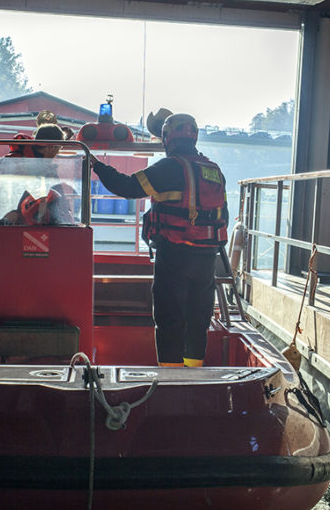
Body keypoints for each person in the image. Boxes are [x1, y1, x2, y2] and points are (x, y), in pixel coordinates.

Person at [91, 110, 228, 367]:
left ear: (166, 138)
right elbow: (224, 216)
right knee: (198, 318)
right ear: (194, 137)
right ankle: (194, 372)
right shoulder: (214, 170)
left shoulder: (171, 166)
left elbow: (128, 187)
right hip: (206, 258)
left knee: (169, 317)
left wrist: (98, 166)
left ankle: (170, 375)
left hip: (175, 254)